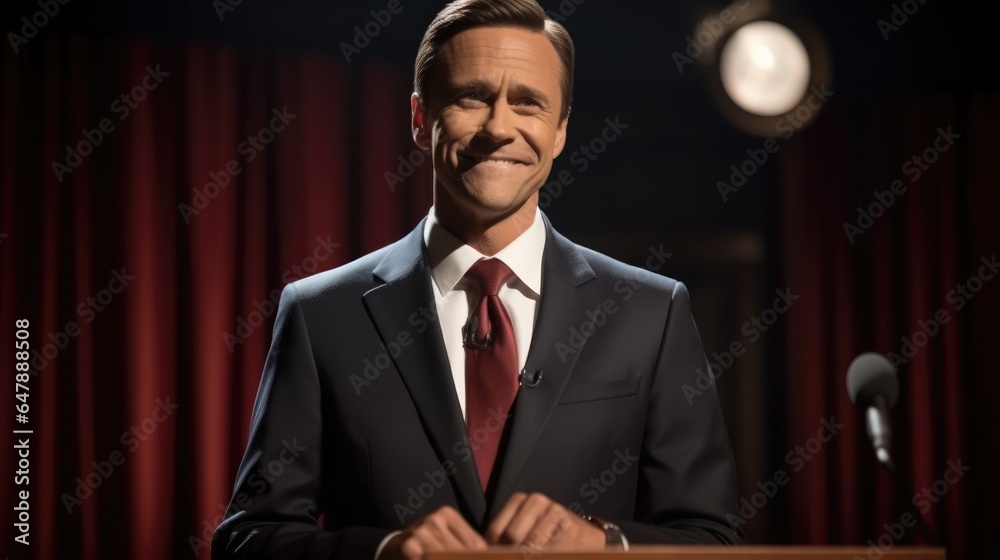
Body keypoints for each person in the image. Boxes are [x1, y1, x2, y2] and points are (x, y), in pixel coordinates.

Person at [213, 0, 743, 558]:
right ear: (420, 119)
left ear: (560, 131)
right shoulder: (321, 314)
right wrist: (384, 550)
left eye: (528, 103)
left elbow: (714, 538)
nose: (499, 127)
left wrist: (605, 543)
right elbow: (248, 538)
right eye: (472, 97)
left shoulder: (652, 313)